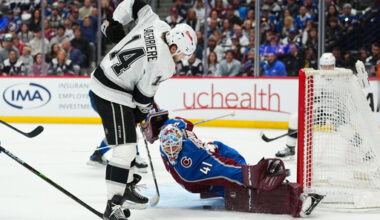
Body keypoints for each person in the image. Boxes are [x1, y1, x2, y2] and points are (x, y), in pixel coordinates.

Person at [89, 0, 197, 219]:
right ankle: (114, 203)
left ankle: (125, 186)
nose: (181, 59)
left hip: (107, 76)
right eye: (182, 55)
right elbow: (142, 96)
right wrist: (142, 114)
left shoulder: (157, 23)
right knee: (126, 149)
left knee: (128, 143)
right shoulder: (166, 64)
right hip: (112, 91)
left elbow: (134, 3)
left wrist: (113, 21)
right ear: (174, 47)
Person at [140, 112, 324, 217]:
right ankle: (294, 201)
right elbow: (222, 170)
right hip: (197, 179)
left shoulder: (175, 127)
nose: (171, 151)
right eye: (167, 147)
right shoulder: (185, 166)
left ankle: (253, 182)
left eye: (174, 145)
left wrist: (154, 128)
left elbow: (178, 123)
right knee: (235, 180)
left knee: (232, 162)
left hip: (209, 152)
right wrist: (253, 174)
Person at [275, 53, 336, 158]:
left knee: (346, 130)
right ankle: (290, 148)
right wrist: (317, 110)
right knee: (295, 119)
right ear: (321, 66)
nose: (327, 68)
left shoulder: (342, 76)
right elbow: (312, 99)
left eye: (329, 66)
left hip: (336, 112)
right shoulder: (315, 78)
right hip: (319, 112)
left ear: (333, 65)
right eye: (324, 66)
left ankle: (363, 150)